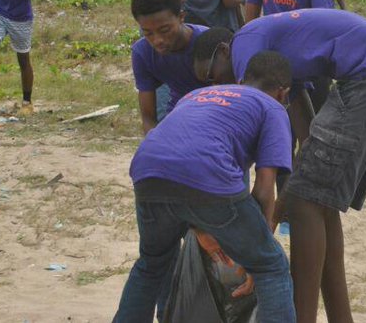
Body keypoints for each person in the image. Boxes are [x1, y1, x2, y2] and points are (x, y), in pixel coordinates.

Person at [193, 8, 366, 323]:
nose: (219, 86)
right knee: (319, 200)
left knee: (304, 201)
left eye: (214, 76)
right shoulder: (274, 66)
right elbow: (307, 137)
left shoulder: (246, 47)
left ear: (225, 51)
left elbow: (255, 128)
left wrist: (266, 225)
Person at [112, 51, 296, 323]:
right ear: (283, 93)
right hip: (205, 177)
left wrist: (203, 227)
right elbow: (264, 188)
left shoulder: (196, 95)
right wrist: (257, 246)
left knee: (151, 265)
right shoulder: (273, 108)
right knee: (271, 266)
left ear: (243, 80)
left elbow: (184, 177)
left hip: (148, 169)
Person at [130, 0, 212, 133]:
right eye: (148, 33)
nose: (157, 40)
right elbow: (148, 118)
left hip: (215, 114)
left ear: (181, 17)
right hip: (178, 116)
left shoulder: (209, 43)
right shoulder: (142, 53)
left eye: (164, 30)